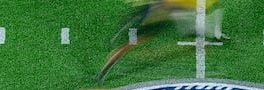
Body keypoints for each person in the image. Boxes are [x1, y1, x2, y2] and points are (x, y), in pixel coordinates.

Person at [96, 0, 225, 83]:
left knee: (133, 42)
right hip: (151, 19)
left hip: (158, 17)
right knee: (131, 43)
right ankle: (105, 69)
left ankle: (106, 68)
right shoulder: (145, 18)